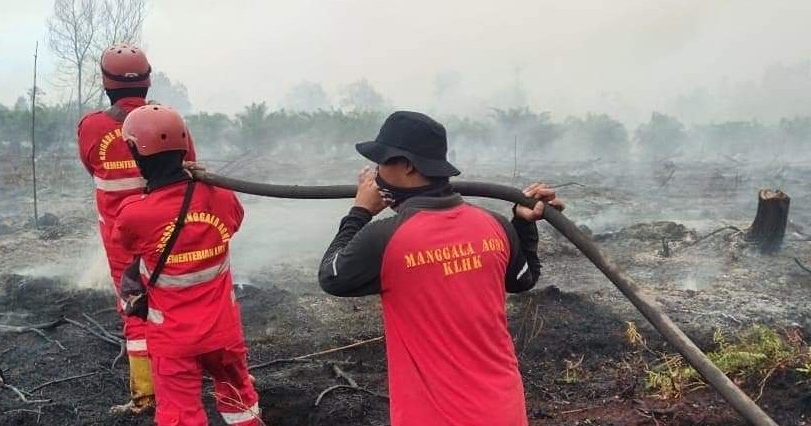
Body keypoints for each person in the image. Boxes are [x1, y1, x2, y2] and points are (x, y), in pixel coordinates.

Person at [318, 111, 564, 426]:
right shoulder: (494, 224)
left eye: (381, 163)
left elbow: (331, 276)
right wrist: (522, 224)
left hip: (434, 416)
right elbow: (523, 279)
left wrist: (360, 211)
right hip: (504, 410)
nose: (376, 173)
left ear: (406, 165)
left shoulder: (386, 238)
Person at [111, 105, 260, 425]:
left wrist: (156, 190)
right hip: (224, 332)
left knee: (180, 414)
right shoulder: (220, 196)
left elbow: (127, 244)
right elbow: (235, 221)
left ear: (136, 152)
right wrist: (198, 181)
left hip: (174, 340)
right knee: (240, 401)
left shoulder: (134, 214)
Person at [77, 43, 196, 412]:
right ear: (147, 81)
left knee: (135, 307)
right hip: (170, 230)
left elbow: (90, 165)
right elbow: (187, 168)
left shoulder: (92, 126)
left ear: (105, 83)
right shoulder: (170, 124)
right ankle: (191, 370)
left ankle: (146, 395)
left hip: (122, 239)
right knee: (182, 301)